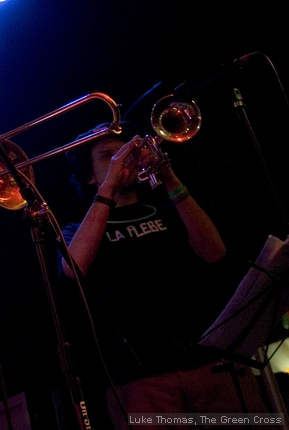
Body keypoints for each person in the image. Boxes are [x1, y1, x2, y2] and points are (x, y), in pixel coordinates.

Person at [59, 122, 268, 429]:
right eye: (107, 156)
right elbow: (72, 269)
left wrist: (168, 176)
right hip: (141, 381)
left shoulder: (168, 211)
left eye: (125, 153)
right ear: (89, 176)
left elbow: (215, 252)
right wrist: (108, 189)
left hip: (210, 365)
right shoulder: (76, 231)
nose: (121, 160)